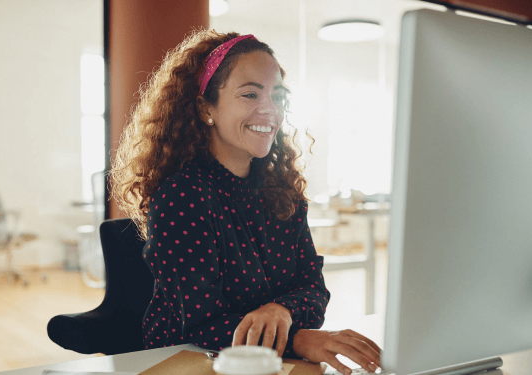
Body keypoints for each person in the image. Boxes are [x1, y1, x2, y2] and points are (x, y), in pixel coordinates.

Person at [110, 30, 381, 375]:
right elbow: (201, 325)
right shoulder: (182, 196)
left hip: (267, 361)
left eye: (278, 97)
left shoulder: (283, 191)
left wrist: (281, 311)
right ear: (206, 107)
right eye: (250, 94)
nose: (270, 110)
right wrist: (299, 338)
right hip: (187, 361)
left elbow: (313, 289)